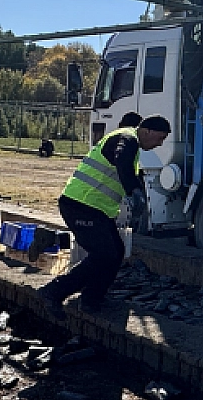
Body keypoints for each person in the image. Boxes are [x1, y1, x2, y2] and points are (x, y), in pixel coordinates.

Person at [46, 112, 171, 312]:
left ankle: (92, 299)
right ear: (147, 131)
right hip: (81, 205)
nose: (160, 144)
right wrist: (133, 191)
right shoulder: (127, 138)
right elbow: (122, 160)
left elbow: (125, 168)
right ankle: (54, 292)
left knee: (116, 252)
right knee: (103, 254)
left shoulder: (131, 144)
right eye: (160, 138)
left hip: (95, 209)